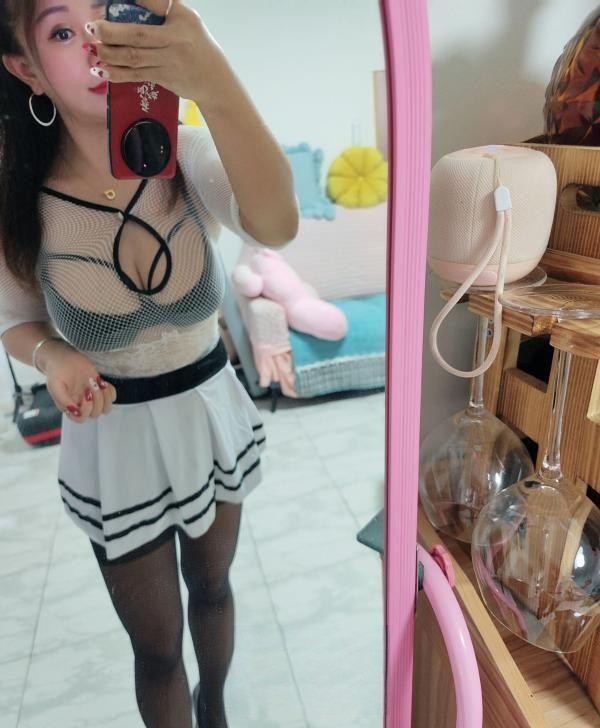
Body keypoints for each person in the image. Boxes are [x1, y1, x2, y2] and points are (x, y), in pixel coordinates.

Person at [0, 1, 298, 726]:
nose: (96, 41)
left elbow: (276, 224)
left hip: (207, 414)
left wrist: (212, 80)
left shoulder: (187, 153)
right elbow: (14, 320)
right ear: (25, 69)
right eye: (61, 30)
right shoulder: (19, 199)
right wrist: (53, 353)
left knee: (214, 591)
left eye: (108, 11)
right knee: (157, 648)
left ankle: (215, 709)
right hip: (115, 442)